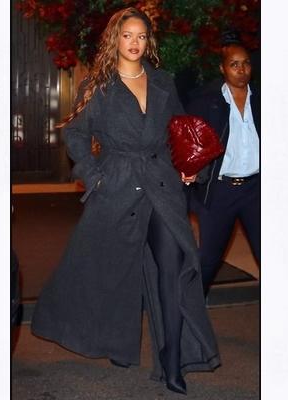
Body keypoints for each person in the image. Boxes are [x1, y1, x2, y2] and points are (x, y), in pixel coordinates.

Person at [30, 7, 220, 395]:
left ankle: (172, 361)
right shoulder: (98, 85)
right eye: (127, 35)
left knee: (173, 268)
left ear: (149, 42)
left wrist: (188, 168)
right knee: (112, 271)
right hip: (117, 185)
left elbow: (179, 130)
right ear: (115, 39)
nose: (135, 43)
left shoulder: (163, 81)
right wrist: (94, 175)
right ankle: (116, 342)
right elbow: (76, 134)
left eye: (141, 36)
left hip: (161, 184)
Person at [185, 33, 260, 296]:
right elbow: (189, 144)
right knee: (208, 261)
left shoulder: (262, 100)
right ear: (222, 68)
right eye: (234, 64)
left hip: (255, 191)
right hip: (220, 191)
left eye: (246, 63)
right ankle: (191, 310)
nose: (241, 69)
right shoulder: (206, 102)